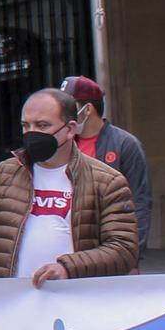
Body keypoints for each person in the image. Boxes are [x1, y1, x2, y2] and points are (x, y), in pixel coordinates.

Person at [0, 87, 137, 284]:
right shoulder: (4, 174)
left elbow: (123, 249)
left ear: (70, 129)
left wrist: (68, 268)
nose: (32, 133)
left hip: (75, 302)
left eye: (42, 125)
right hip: (13, 303)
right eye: (26, 125)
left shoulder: (107, 181)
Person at [60, 76, 151, 262]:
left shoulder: (125, 145)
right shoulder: (62, 144)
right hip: (70, 249)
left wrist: (132, 255)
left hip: (111, 248)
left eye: (68, 107)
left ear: (88, 109)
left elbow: (139, 202)